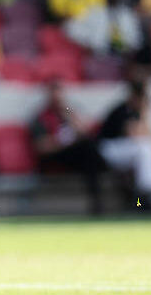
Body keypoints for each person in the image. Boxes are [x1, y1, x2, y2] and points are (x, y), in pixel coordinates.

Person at [98, 78, 151, 210]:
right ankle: (144, 198)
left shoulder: (144, 110)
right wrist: (145, 113)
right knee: (145, 150)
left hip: (129, 148)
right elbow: (134, 134)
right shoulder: (122, 110)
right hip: (110, 148)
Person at [30, 80, 107, 214]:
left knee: (89, 148)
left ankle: (98, 198)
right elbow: (41, 147)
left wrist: (70, 116)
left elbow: (85, 131)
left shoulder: (68, 113)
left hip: (75, 153)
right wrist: (61, 141)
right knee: (89, 150)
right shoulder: (41, 118)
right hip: (56, 156)